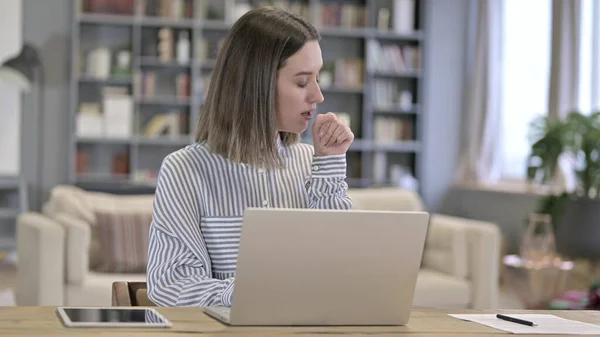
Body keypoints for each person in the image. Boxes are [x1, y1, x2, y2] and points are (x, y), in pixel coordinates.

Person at [147, 6, 354, 307]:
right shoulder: (185, 170)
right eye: (301, 82)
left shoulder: (314, 163)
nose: (318, 96)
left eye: (317, 79)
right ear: (256, 84)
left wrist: (330, 165)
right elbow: (171, 285)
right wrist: (251, 290)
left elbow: (343, 274)